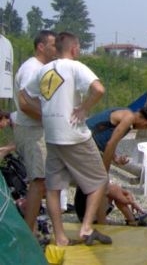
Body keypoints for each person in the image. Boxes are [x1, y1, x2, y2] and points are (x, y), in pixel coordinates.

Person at [19, 32, 112, 247]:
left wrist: (44, 110)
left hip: (52, 136)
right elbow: (98, 89)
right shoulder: (75, 66)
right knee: (99, 180)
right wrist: (84, 108)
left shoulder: (43, 70)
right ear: (74, 49)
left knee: (53, 188)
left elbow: (23, 95)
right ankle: (87, 227)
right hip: (74, 134)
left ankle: (60, 237)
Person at [11, 30, 57, 232]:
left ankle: (33, 226)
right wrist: (52, 119)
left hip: (37, 130)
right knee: (38, 181)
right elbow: (26, 104)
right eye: (53, 45)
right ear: (41, 46)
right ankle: (29, 232)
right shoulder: (32, 69)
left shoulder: (42, 68)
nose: (56, 49)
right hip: (31, 132)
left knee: (42, 182)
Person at [86, 102, 147, 171]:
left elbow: (107, 143)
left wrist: (116, 158)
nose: (140, 129)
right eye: (145, 128)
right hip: (84, 141)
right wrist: (105, 174)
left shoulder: (126, 114)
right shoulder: (129, 118)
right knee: (96, 178)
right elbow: (110, 144)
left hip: (87, 140)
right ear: (145, 123)